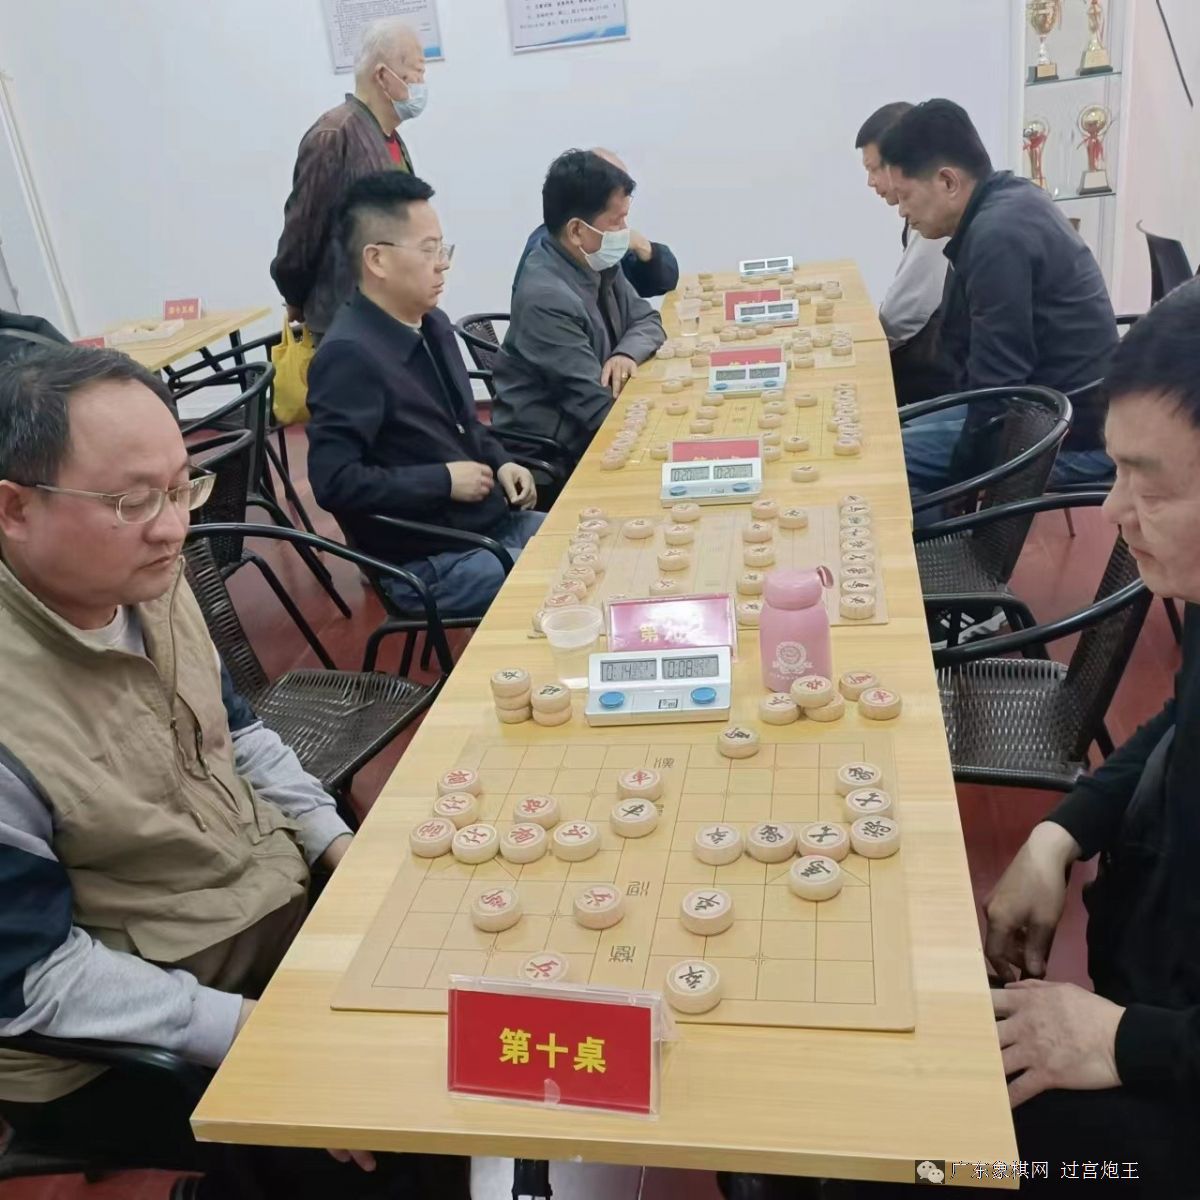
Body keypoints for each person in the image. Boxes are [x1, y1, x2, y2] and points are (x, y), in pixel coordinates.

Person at [718, 281, 1200, 1200]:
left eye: (1153, 484)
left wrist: (1126, 1041)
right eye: (1116, 471)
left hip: (1165, 1112)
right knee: (811, 1077)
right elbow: (1179, 722)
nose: (1113, 511)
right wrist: (1059, 835)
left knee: (892, 1158)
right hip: (1134, 1009)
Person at [0, 346, 468, 1197]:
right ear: (14, 508)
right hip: (113, 1043)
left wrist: (335, 843)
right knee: (399, 1138)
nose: (173, 527)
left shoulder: (144, 576)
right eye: (133, 501)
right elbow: (34, 980)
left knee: (459, 963)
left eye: (183, 487)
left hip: (250, 908)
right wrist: (258, 1037)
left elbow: (240, 733)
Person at [306, 171, 543, 620]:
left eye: (442, 248)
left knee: (593, 540)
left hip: (488, 525)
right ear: (377, 260)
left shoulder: (433, 324)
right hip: (428, 565)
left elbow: (466, 425)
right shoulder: (349, 355)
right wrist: (443, 481)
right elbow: (334, 482)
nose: (442, 264)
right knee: (568, 575)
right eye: (428, 249)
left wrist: (501, 461)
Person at [879, 99, 1117, 499]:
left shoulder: (997, 236)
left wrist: (965, 483)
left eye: (905, 196)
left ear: (948, 182)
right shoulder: (1005, 201)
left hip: (1063, 431)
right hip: (1045, 405)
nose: (902, 210)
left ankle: (957, 541)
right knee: (888, 432)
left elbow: (1000, 386)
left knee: (883, 463)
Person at [492, 149, 666, 465]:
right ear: (576, 230)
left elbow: (647, 319)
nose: (625, 232)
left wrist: (626, 354)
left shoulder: (595, 259)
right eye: (617, 221)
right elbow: (599, 408)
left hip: (596, 425)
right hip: (558, 454)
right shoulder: (546, 298)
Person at [270, 17, 427, 339]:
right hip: (349, 325)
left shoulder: (390, 138)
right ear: (383, 76)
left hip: (394, 317)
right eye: (418, 71)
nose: (422, 83)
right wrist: (295, 297)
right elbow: (302, 234)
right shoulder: (333, 136)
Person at [854, 102, 954, 406]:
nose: (871, 182)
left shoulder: (937, 220)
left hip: (937, 384)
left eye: (874, 169)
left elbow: (906, 313)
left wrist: (864, 352)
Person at [512, 147, 680, 299]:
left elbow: (653, 294)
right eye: (616, 220)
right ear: (577, 230)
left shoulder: (599, 249)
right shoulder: (548, 274)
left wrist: (643, 246)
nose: (623, 228)